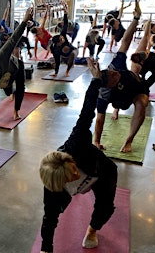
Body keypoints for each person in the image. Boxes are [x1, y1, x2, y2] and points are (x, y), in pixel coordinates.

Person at [38, 57, 118, 253]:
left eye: (73, 171)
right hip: (67, 187)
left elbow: (87, 111)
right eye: (69, 179)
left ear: (69, 161)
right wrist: (45, 249)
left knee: (106, 206)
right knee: (51, 215)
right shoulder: (53, 190)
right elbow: (49, 220)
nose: (75, 176)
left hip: (100, 172)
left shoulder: (77, 142)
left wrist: (97, 80)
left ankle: (92, 230)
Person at [93, 0, 149, 153]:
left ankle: (129, 140)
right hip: (119, 98)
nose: (115, 74)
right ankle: (117, 108)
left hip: (137, 88)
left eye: (114, 73)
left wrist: (136, 19)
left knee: (141, 102)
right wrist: (96, 141)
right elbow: (99, 119)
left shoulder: (115, 65)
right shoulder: (104, 94)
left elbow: (125, 40)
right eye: (114, 76)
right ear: (110, 84)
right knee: (117, 104)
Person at [49, 3, 78, 77]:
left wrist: (65, 13)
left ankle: (67, 71)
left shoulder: (63, 34)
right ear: (58, 43)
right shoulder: (55, 48)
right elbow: (57, 61)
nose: (63, 38)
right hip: (63, 54)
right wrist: (56, 73)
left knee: (69, 52)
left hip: (73, 50)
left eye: (62, 37)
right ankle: (68, 62)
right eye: (61, 39)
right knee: (58, 58)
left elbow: (65, 24)